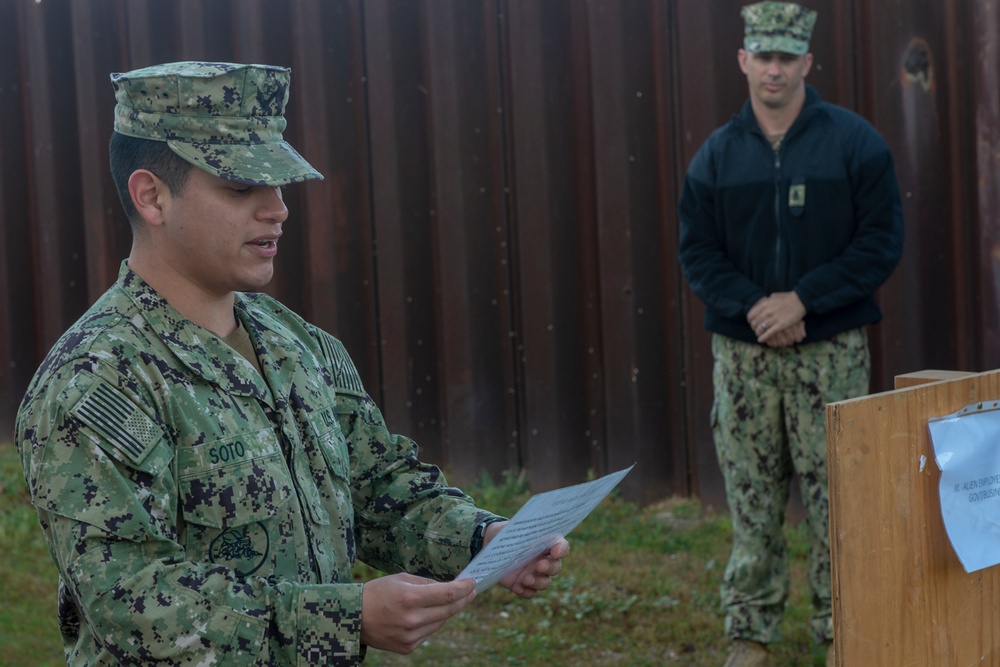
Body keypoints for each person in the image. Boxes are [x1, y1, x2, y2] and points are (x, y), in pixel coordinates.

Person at [15, 61, 568, 666]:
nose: (277, 209)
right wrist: (344, 617)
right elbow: (134, 602)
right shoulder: (97, 380)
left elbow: (376, 484)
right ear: (152, 196)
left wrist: (482, 538)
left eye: (277, 185)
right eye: (241, 188)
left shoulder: (295, 342)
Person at [677, 3, 904, 667]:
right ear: (743, 60)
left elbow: (880, 240)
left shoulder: (854, 143)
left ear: (808, 61)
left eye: (787, 57)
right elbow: (698, 253)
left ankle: (844, 628)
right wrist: (756, 307)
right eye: (763, 56)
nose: (774, 69)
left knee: (842, 493)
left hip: (829, 350)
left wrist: (805, 298)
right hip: (745, 356)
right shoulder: (716, 157)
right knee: (752, 497)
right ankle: (750, 632)